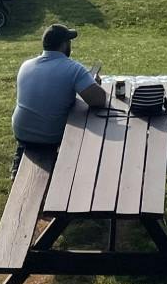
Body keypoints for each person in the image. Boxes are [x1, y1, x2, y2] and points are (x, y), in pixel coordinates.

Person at [11, 24, 107, 173]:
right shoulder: (73, 69)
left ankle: (20, 158)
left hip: (21, 133)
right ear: (64, 45)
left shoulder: (26, 65)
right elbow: (99, 100)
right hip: (50, 137)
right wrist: (94, 84)